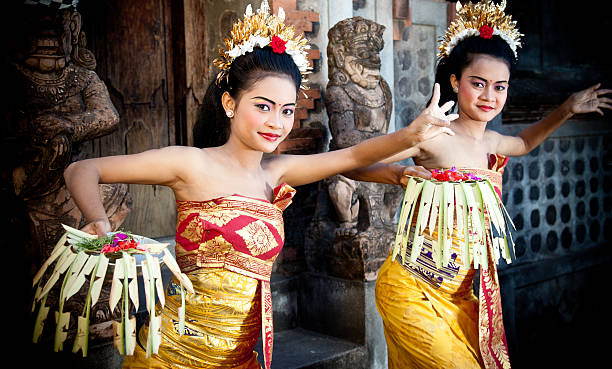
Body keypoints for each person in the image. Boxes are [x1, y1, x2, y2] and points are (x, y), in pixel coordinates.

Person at [62, 2, 457, 368]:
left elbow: (352, 157)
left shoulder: (276, 173)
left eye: (287, 111)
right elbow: (82, 171)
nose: (277, 123)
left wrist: (410, 136)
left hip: (241, 357)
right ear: (231, 103)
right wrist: (99, 222)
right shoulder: (190, 164)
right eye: (263, 106)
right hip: (174, 355)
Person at [343, 1, 612, 368]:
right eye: (478, 83)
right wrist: (395, 175)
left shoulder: (492, 143)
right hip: (411, 290)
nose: (489, 96)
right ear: (455, 81)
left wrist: (566, 108)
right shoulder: (433, 136)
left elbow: (525, 142)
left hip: (460, 300)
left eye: (499, 87)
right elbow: (351, 163)